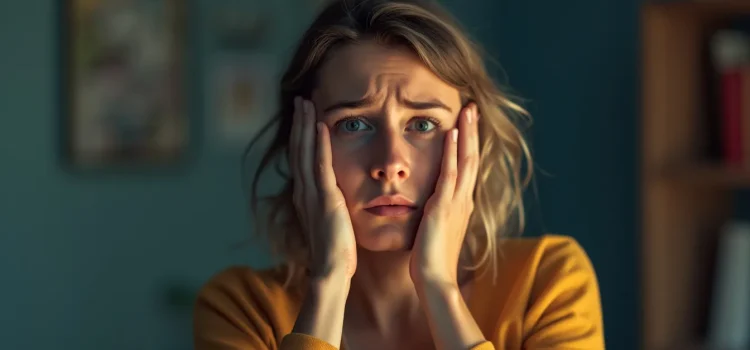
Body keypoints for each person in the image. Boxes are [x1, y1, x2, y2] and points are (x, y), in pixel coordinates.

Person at [193, 0, 605, 349]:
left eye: (423, 124)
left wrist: (438, 289)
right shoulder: (243, 310)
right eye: (354, 124)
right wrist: (329, 281)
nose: (390, 163)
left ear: (472, 141)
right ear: (301, 144)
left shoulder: (548, 284)